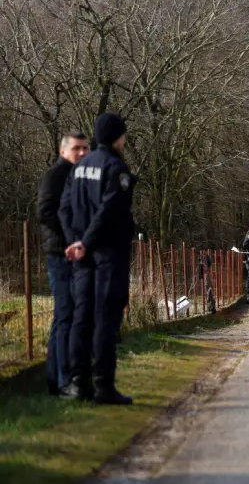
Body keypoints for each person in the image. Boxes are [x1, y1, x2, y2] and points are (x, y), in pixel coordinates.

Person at [59, 112, 138, 404]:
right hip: (107, 255)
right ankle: (104, 385)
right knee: (105, 316)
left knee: (82, 316)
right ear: (117, 137)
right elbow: (109, 211)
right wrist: (87, 242)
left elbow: (64, 208)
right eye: (123, 136)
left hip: (81, 255)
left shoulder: (79, 167)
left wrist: (74, 242)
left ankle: (78, 382)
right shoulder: (115, 168)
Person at [38, 130, 89, 395]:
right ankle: (60, 380)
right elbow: (45, 211)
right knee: (65, 314)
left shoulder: (80, 177)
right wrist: (70, 237)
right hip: (60, 253)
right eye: (76, 148)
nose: (81, 153)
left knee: (70, 314)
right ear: (63, 151)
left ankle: (62, 378)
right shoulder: (56, 175)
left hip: (75, 253)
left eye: (85, 148)